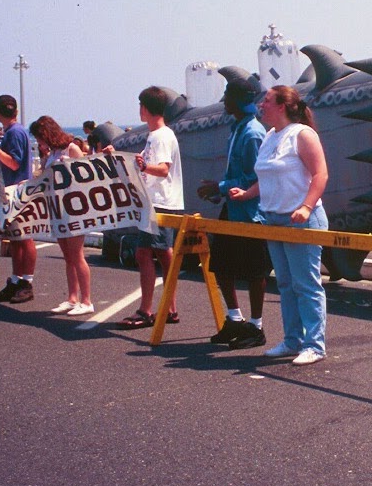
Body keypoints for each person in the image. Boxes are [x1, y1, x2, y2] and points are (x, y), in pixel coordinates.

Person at [227, 85, 330, 365]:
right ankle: (292, 340)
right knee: (285, 284)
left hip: (301, 220)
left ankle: (315, 344)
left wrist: (306, 206)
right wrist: (248, 194)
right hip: (274, 218)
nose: (261, 105)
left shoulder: (302, 135)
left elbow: (320, 174)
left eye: (267, 101)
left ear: (283, 106)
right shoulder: (271, 136)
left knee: (306, 284)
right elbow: (270, 177)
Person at [197, 79, 273, 350]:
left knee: (255, 272)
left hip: (251, 212)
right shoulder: (237, 129)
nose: (224, 100)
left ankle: (256, 326)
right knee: (222, 266)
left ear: (241, 100)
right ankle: (234, 318)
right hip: (232, 207)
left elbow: (255, 177)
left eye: (228, 95)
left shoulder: (252, 133)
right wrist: (220, 190)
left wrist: (219, 186)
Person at [117, 87, 184, 330]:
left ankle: (146, 309)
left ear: (145, 108)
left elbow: (163, 169)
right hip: (164, 201)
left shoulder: (159, 136)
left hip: (160, 203)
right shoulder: (159, 136)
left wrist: (144, 167)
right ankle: (170, 308)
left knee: (144, 254)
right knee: (164, 255)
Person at [31, 116, 95, 316]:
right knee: (67, 257)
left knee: (77, 255)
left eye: (40, 138)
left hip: (73, 208)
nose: (39, 142)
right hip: (57, 207)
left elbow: (85, 177)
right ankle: (72, 297)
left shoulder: (71, 148)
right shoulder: (52, 152)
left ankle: (86, 300)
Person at [0, 94, 37, 304]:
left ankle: (26, 281)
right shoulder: (15, 131)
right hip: (13, 190)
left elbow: (14, 163)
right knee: (16, 239)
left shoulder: (14, 133)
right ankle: (17, 280)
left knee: (24, 238)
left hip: (18, 191)